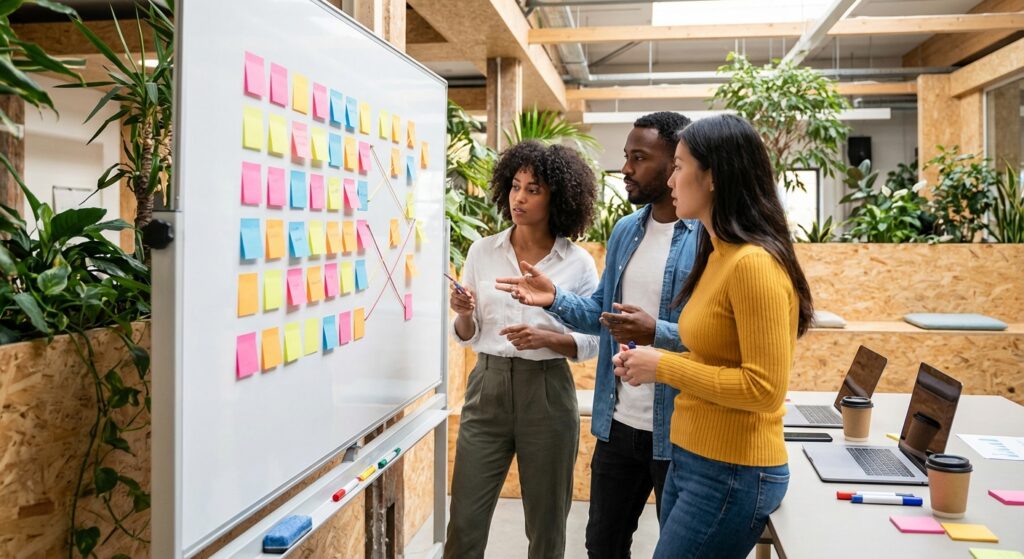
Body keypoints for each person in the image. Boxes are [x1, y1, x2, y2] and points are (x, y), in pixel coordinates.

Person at [494, 111, 698, 558]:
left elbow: (715, 335)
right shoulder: (627, 230)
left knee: (676, 550)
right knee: (602, 546)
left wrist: (655, 331)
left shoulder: (706, 236)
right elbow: (601, 316)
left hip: (679, 430)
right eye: (626, 157)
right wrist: (554, 299)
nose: (625, 168)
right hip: (618, 423)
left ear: (675, 162)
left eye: (639, 158)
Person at [611, 114, 815, 559]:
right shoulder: (716, 253)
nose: (671, 182)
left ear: (713, 178)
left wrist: (662, 366)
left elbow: (763, 389)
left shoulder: (753, 264)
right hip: (693, 457)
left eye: (679, 167)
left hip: (732, 470)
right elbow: (710, 356)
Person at [445, 140, 600, 559]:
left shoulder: (577, 263)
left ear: (558, 197)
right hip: (487, 387)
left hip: (547, 393)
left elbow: (592, 338)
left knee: (547, 526)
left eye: (534, 189)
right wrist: (463, 312)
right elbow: (468, 333)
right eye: (515, 186)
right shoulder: (483, 251)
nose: (520, 197)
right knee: (463, 522)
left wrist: (548, 339)